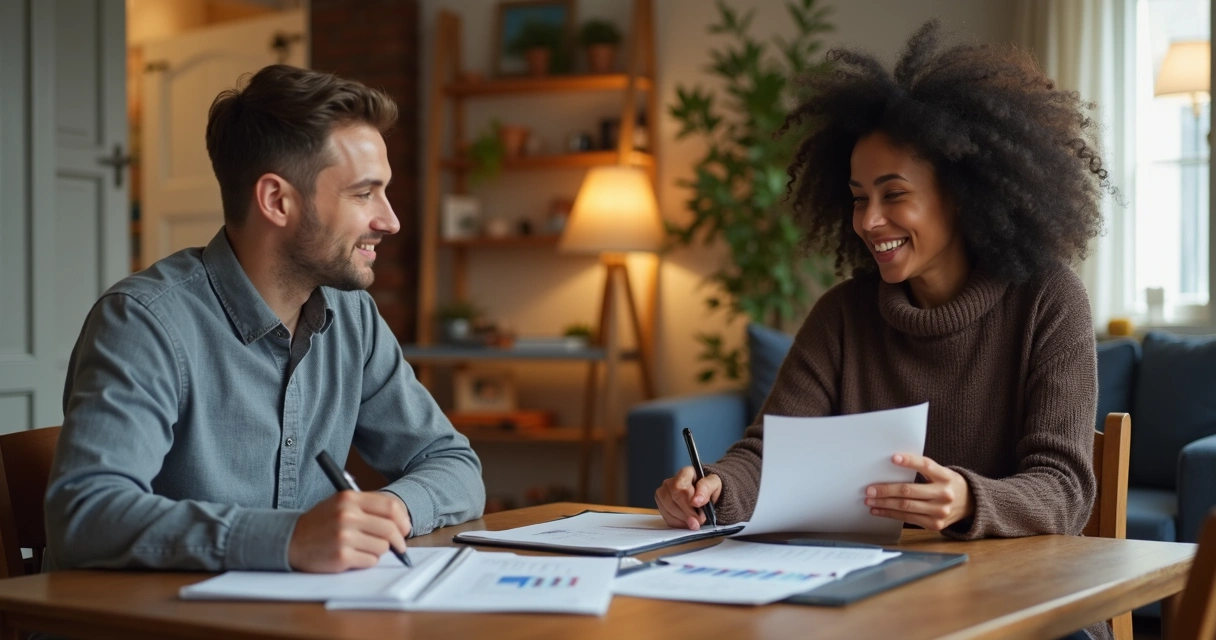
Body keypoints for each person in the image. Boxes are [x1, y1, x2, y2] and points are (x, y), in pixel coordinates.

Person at [654, 21, 1110, 640]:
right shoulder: (842, 315)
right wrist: (712, 488)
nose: (869, 221)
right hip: (878, 602)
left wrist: (969, 500)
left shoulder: (1047, 300)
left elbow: (1065, 487)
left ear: (963, 194)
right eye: (858, 197)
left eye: (894, 195)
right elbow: (768, 456)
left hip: (1025, 605)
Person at [45, 65, 485, 574]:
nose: (390, 220)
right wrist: (288, 539)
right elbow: (85, 516)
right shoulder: (144, 322)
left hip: (301, 609)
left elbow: (453, 464)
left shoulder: (353, 316)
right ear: (277, 200)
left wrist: (390, 512)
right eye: (364, 193)